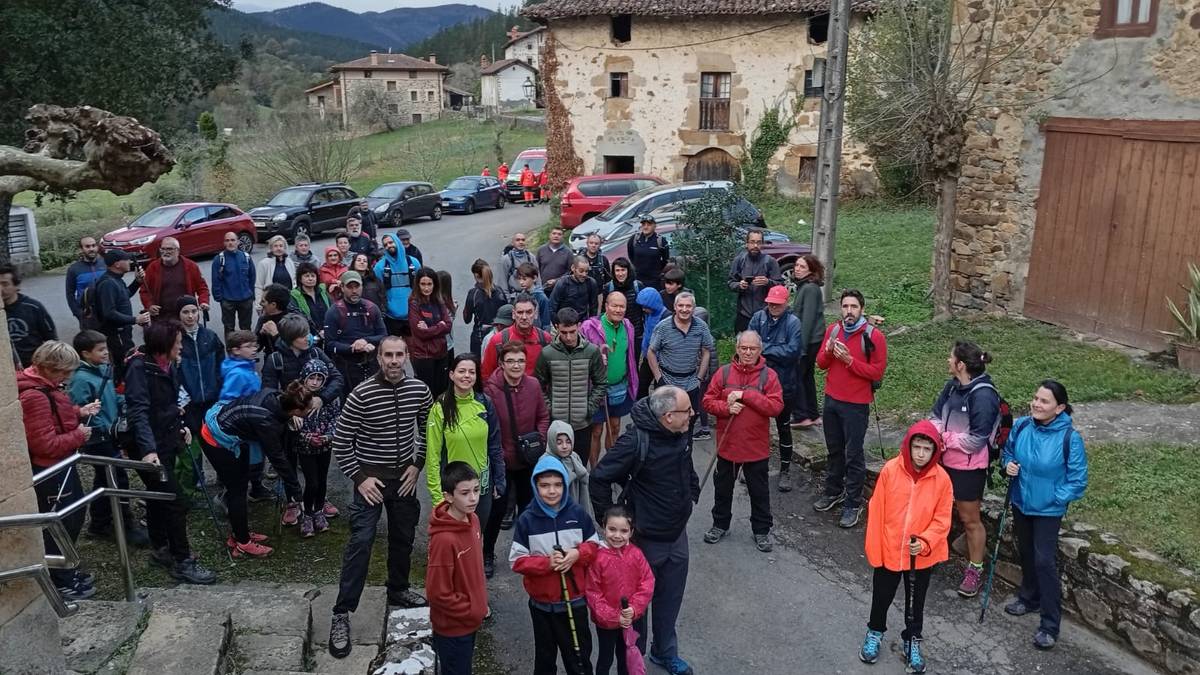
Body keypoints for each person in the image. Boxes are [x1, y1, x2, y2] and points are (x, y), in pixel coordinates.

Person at [329, 336, 432, 659]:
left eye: (399, 354)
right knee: (361, 542)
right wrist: (360, 478)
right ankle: (342, 612)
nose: (394, 360)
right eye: (388, 355)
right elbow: (341, 440)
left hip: (403, 478)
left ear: (407, 356)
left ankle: (398, 588)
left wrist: (417, 464)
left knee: (403, 537)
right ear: (379, 358)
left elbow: (428, 430)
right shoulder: (362, 394)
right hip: (370, 480)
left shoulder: (419, 390)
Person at [591, 387, 699, 675]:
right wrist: (611, 523)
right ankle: (633, 661)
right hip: (645, 540)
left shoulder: (680, 432)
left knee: (670, 598)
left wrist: (692, 491)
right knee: (637, 605)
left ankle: (664, 652)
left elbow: (685, 463)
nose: (692, 414)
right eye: (687, 410)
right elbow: (600, 478)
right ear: (668, 416)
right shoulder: (635, 441)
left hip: (677, 536)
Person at [124, 320, 217, 584]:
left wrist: (180, 425)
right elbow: (139, 411)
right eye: (177, 343)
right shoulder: (139, 368)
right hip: (149, 447)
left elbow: (169, 403)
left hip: (167, 438)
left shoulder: (168, 364)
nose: (181, 347)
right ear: (164, 345)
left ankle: (161, 547)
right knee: (175, 501)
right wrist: (148, 449)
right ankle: (182, 560)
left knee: (158, 496)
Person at [1001, 380, 1088, 651]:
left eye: (1044, 401)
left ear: (1059, 408)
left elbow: (1078, 480)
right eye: (1036, 398)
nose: (1036, 404)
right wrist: (1008, 465)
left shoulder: (1070, 438)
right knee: (1026, 553)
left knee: (1044, 561)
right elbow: (1008, 452)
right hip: (1021, 502)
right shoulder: (1022, 426)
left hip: (1048, 510)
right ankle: (1029, 599)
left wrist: (1054, 498)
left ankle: (1050, 624)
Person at [860, 421, 953, 673]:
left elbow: (942, 519)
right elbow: (877, 511)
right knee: (881, 595)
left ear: (935, 451)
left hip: (919, 555)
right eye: (917, 447)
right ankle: (875, 631)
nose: (921, 454)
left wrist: (925, 541)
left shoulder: (942, 480)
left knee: (916, 601)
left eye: (927, 449)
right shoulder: (891, 470)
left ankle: (912, 638)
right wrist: (876, 550)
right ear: (908, 446)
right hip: (889, 548)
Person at [19, 341, 104, 599]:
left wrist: (78, 411)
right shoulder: (35, 396)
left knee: (74, 516)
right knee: (62, 524)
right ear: (47, 367)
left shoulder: (45, 386)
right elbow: (44, 444)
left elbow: (54, 415)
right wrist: (78, 435)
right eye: (64, 372)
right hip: (52, 471)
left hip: (61, 465)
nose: (67, 378)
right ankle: (61, 579)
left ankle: (67, 569)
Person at [510, 455, 601, 675]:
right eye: (545, 486)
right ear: (535, 486)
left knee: (579, 659)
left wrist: (577, 554)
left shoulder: (578, 514)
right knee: (545, 660)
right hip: (542, 605)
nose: (552, 491)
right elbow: (517, 561)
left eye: (558, 485)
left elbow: (595, 546)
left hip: (575, 601)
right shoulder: (527, 520)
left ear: (565, 485)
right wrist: (546, 563)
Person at [201, 382, 314, 556]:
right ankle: (242, 542)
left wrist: (289, 422)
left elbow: (281, 428)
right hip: (216, 439)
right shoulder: (266, 421)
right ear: (296, 410)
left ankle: (240, 532)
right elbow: (277, 458)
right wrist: (297, 493)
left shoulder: (276, 395)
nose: (310, 411)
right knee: (237, 491)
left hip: (234, 429)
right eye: (308, 409)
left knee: (241, 483)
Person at [930, 340, 1001, 598]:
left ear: (961, 365)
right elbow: (935, 417)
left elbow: (976, 441)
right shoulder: (951, 387)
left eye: (951, 358)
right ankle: (934, 553)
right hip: (943, 462)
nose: (947, 361)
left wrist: (944, 439)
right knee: (938, 512)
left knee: (970, 520)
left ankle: (975, 570)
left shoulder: (984, 397)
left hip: (969, 470)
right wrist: (936, 434)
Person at [701, 330, 783, 553]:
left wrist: (746, 395)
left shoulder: (769, 376)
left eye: (752, 349)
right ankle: (720, 525)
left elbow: (776, 407)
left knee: (759, 491)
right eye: (744, 348)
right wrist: (726, 408)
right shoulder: (724, 373)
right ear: (737, 348)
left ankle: (761, 530)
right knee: (723, 488)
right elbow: (707, 401)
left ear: (760, 350)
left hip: (756, 447)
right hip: (727, 445)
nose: (747, 352)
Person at [814, 289, 888, 529]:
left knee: (853, 454)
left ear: (862, 310)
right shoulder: (833, 331)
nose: (849, 311)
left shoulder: (874, 336)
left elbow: (876, 372)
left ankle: (853, 504)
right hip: (832, 400)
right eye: (845, 306)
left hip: (856, 404)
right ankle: (833, 491)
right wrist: (828, 351)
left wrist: (849, 361)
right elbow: (821, 364)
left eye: (853, 307)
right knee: (834, 450)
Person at [70, 330, 149, 547]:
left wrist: (127, 403)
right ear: (85, 354)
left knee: (103, 479)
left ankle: (100, 523)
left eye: (106, 348)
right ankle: (124, 525)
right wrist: (104, 426)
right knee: (117, 478)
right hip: (98, 438)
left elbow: (111, 397)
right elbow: (81, 411)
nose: (106, 353)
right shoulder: (81, 379)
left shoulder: (103, 370)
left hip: (110, 433)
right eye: (100, 350)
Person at [482, 339, 550, 577]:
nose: (516, 365)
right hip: (501, 461)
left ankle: (529, 550)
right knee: (497, 510)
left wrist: (540, 440)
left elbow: (543, 416)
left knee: (529, 507)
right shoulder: (490, 391)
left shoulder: (533, 385)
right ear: (501, 363)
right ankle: (487, 553)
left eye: (520, 361)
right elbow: (487, 428)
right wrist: (497, 453)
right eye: (510, 361)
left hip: (528, 459)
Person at [426, 353, 504, 529]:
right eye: (461, 371)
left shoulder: (485, 403)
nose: (467, 376)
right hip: (454, 489)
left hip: (481, 487)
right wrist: (438, 497)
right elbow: (433, 456)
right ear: (451, 374)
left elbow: (495, 446)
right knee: (455, 539)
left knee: (477, 535)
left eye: (472, 372)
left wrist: (499, 481)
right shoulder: (440, 407)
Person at [428, 461, 489, 675]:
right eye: (465, 493)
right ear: (448, 496)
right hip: (453, 629)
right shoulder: (444, 540)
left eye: (476, 490)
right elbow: (437, 593)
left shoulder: (474, 520)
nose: (473, 498)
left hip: (470, 622)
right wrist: (471, 610)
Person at [586, 505, 655, 675]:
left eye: (624, 531)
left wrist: (634, 608)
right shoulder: (597, 558)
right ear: (604, 527)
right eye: (612, 529)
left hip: (631, 617)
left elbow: (647, 582)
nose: (617, 535)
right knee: (605, 658)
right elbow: (593, 593)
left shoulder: (636, 554)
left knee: (626, 657)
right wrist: (614, 617)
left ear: (631, 532)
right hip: (607, 623)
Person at [747, 286, 803, 491]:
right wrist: (763, 350)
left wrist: (763, 349)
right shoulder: (758, 318)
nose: (773, 306)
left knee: (783, 427)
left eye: (777, 304)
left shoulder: (793, 323)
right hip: (757, 381)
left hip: (783, 383)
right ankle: (752, 465)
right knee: (754, 425)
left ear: (786, 303)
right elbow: (748, 345)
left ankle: (785, 471)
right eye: (770, 303)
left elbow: (792, 352)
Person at [536, 307, 606, 465]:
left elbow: (601, 383)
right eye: (564, 332)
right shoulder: (547, 353)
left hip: (582, 424)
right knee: (557, 469)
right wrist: (550, 409)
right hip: (557, 424)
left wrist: (589, 408)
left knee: (580, 466)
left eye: (572, 332)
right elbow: (538, 386)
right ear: (556, 328)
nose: (568, 337)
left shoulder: (592, 351)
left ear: (579, 326)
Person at [580, 292, 637, 463]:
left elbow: (630, 356)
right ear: (606, 306)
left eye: (622, 306)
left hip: (620, 385)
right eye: (614, 305)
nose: (618, 310)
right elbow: (578, 354)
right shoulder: (589, 327)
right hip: (597, 389)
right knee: (596, 430)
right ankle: (595, 469)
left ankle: (609, 468)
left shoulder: (628, 326)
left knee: (615, 427)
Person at [646, 292, 713, 430]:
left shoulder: (701, 327)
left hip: (691, 383)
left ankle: (686, 443)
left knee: (688, 422)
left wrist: (699, 378)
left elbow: (706, 351)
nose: (684, 309)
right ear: (675, 307)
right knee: (665, 423)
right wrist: (659, 378)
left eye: (688, 306)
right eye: (681, 305)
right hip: (667, 381)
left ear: (693, 308)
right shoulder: (663, 327)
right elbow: (651, 352)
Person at [293, 359, 342, 537]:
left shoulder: (329, 398)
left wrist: (328, 436)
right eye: (311, 378)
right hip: (305, 449)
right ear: (304, 377)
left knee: (322, 481)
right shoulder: (296, 396)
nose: (315, 382)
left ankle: (319, 510)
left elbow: (336, 419)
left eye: (319, 378)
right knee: (312, 482)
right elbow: (291, 424)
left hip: (324, 447)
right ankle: (307, 514)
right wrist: (306, 437)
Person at [90, 249, 149, 383]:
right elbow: (109, 313)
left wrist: (137, 282)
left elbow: (125, 296)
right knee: (123, 364)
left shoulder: (116, 280)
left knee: (127, 361)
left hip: (123, 333)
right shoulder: (108, 284)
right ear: (117, 264)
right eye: (126, 259)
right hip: (116, 334)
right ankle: (121, 388)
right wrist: (135, 319)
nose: (129, 262)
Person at [324, 271, 388, 395]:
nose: (354, 291)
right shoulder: (334, 311)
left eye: (357, 286)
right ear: (342, 287)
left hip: (371, 364)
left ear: (362, 287)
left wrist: (366, 340)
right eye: (350, 287)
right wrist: (352, 348)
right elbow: (330, 344)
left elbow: (384, 336)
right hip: (346, 367)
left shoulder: (372, 308)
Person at [263, 313, 345, 409]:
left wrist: (322, 398)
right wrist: (289, 411)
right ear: (290, 339)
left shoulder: (316, 353)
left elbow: (337, 378)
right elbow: (268, 394)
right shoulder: (275, 360)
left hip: (318, 409)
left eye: (307, 333)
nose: (308, 338)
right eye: (302, 336)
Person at [177, 295, 224, 449]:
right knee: (193, 442)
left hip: (212, 399)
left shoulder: (210, 336)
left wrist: (218, 386)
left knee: (214, 440)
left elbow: (221, 364)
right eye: (185, 312)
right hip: (189, 402)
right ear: (178, 314)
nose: (190, 316)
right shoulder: (175, 339)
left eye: (194, 311)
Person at [789, 255, 826, 428]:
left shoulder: (810, 288)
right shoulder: (805, 286)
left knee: (796, 376)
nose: (797, 269)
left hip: (809, 341)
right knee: (806, 377)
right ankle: (813, 415)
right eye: (796, 265)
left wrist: (801, 347)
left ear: (811, 270)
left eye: (802, 267)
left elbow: (808, 319)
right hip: (810, 339)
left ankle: (801, 416)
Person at [138, 237, 211, 323]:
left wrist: (203, 302)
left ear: (178, 250)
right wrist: (149, 305)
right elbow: (144, 291)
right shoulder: (153, 267)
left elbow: (202, 288)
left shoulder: (191, 266)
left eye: (169, 249)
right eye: (163, 249)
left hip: (186, 317)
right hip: (161, 318)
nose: (165, 252)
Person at [480, 294, 552, 380]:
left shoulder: (545, 339)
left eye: (529, 312)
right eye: (520, 312)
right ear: (513, 314)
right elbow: (486, 374)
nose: (524, 317)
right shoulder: (498, 340)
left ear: (535, 314)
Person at [408, 268, 453, 397]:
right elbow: (420, 333)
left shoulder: (439, 301)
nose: (426, 288)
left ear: (435, 284)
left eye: (429, 284)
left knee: (442, 392)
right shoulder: (414, 303)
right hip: (424, 356)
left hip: (441, 353)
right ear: (418, 285)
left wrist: (429, 328)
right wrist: (440, 326)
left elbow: (448, 325)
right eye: (423, 284)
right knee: (427, 394)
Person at [1, 263, 57, 368]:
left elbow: (51, 340)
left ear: (17, 285)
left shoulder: (33, 307)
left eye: (5, 284)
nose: (1, 289)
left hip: (34, 366)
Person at [728, 228, 782, 333]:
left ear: (762, 244)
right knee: (742, 341)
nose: (755, 246)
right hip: (744, 314)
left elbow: (780, 285)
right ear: (747, 243)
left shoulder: (770, 262)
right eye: (752, 242)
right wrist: (739, 285)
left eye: (758, 242)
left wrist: (768, 282)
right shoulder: (739, 260)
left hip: (765, 314)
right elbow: (730, 282)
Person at [544, 420, 592, 519]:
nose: (565, 446)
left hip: (575, 504)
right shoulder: (546, 462)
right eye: (559, 442)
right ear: (552, 441)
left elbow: (584, 482)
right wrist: (573, 475)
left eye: (568, 441)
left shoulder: (574, 457)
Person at [211, 232, 257, 334]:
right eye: (227, 240)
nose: (230, 243)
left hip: (246, 299)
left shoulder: (246, 257)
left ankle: (246, 344)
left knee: (246, 328)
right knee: (229, 328)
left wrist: (251, 294)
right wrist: (220, 298)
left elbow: (252, 277)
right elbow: (216, 280)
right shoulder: (219, 259)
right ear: (224, 243)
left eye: (233, 240)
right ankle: (230, 345)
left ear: (238, 242)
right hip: (228, 300)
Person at [464, 259, 508, 355]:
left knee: (479, 362)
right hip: (499, 334)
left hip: (480, 336)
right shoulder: (500, 291)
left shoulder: (473, 293)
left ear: (476, 275)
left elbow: (467, 319)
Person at [605, 258, 644, 358]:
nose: (620, 273)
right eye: (617, 270)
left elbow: (644, 310)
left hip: (635, 333)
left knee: (633, 362)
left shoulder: (638, 286)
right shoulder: (609, 287)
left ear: (628, 271)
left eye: (623, 270)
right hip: (615, 332)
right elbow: (604, 311)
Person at [634, 286, 668, 400]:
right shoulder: (648, 315)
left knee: (660, 390)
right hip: (647, 357)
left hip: (661, 361)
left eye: (646, 307)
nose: (643, 309)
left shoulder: (666, 317)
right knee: (642, 386)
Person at [66, 236, 104, 329]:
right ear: (81, 249)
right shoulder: (74, 269)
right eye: (87, 246)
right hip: (87, 315)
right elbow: (70, 294)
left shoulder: (105, 264)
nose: (91, 249)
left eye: (93, 245)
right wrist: (78, 313)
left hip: (107, 311)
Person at [289, 262, 332, 338]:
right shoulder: (295, 295)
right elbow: (297, 318)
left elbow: (332, 311)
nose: (310, 279)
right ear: (300, 278)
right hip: (307, 336)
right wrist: (317, 334)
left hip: (328, 333)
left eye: (313, 276)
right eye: (307, 276)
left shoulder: (323, 291)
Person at [626, 215, 670, 290]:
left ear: (654, 226)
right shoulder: (634, 239)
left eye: (649, 224)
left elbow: (665, 259)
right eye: (643, 224)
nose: (646, 227)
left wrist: (656, 271)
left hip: (654, 281)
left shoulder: (661, 241)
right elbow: (631, 255)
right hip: (637, 279)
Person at [255, 283, 293, 357]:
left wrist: (275, 335)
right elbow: (256, 347)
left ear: (273, 305)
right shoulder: (263, 319)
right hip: (270, 360)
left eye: (263, 301)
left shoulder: (293, 320)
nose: (260, 303)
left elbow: (294, 350)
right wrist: (260, 334)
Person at [497, 232, 538, 297]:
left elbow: (538, 278)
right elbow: (502, 282)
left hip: (531, 296)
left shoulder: (531, 257)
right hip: (514, 297)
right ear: (512, 243)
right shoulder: (506, 259)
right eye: (518, 240)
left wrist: (538, 294)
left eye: (523, 240)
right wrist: (507, 299)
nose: (521, 242)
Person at [256, 235, 296, 301]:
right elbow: (259, 286)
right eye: (275, 246)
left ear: (285, 248)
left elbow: (294, 282)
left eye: (281, 246)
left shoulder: (290, 262)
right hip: (272, 302)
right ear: (271, 248)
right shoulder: (264, 263)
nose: (278, 248)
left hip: (289, 300)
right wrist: (259, 303)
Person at [515, 262, 552, 330]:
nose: (521, 282)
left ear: (534, 278)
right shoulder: (520, 295)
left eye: (524, 279)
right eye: (519, 279)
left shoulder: (541, 297)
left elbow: (546, 322)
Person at [537, 227, 573, 293]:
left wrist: (557, 281)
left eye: (559, 234)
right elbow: (536, 268)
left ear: (562, 237)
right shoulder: (541, 250)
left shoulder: (568, 253)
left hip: (560, 289)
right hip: (542, 289)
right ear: (549, 235)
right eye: (554, 233)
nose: (556, 236)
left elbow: (570, 272)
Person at [580, 232, 611, 297]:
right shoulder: (579, 259)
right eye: (591, 243)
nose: (593, 245)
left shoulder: (603, 260)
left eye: (596, 243)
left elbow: (608, 279)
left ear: (600, 245)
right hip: (582, 294)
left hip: (599, 294)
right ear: (587, 243)